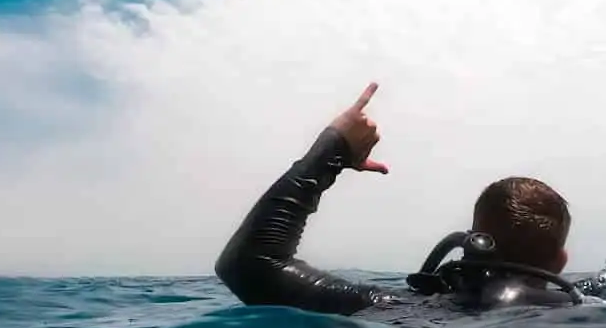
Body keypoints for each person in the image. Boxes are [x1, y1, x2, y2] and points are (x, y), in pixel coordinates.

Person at [215, 82, 581, 316]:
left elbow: (250, 266)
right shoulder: (586, 313)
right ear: (560, 261)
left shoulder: (399, 308)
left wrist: (333, 150)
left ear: (469, 244)